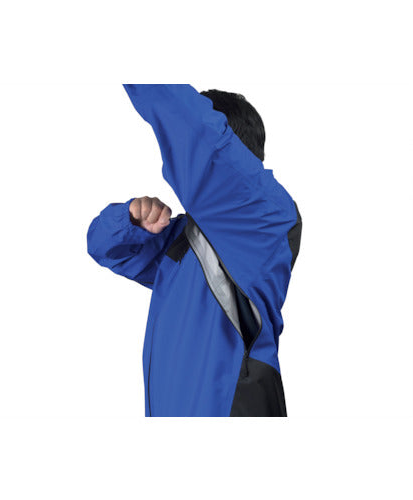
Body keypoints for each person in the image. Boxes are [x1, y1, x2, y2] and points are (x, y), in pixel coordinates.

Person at [87, 84, 302, 417]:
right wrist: (129, 218)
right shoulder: (185, 236)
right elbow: (104, 247)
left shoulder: (263, 215)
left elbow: (186, 121)